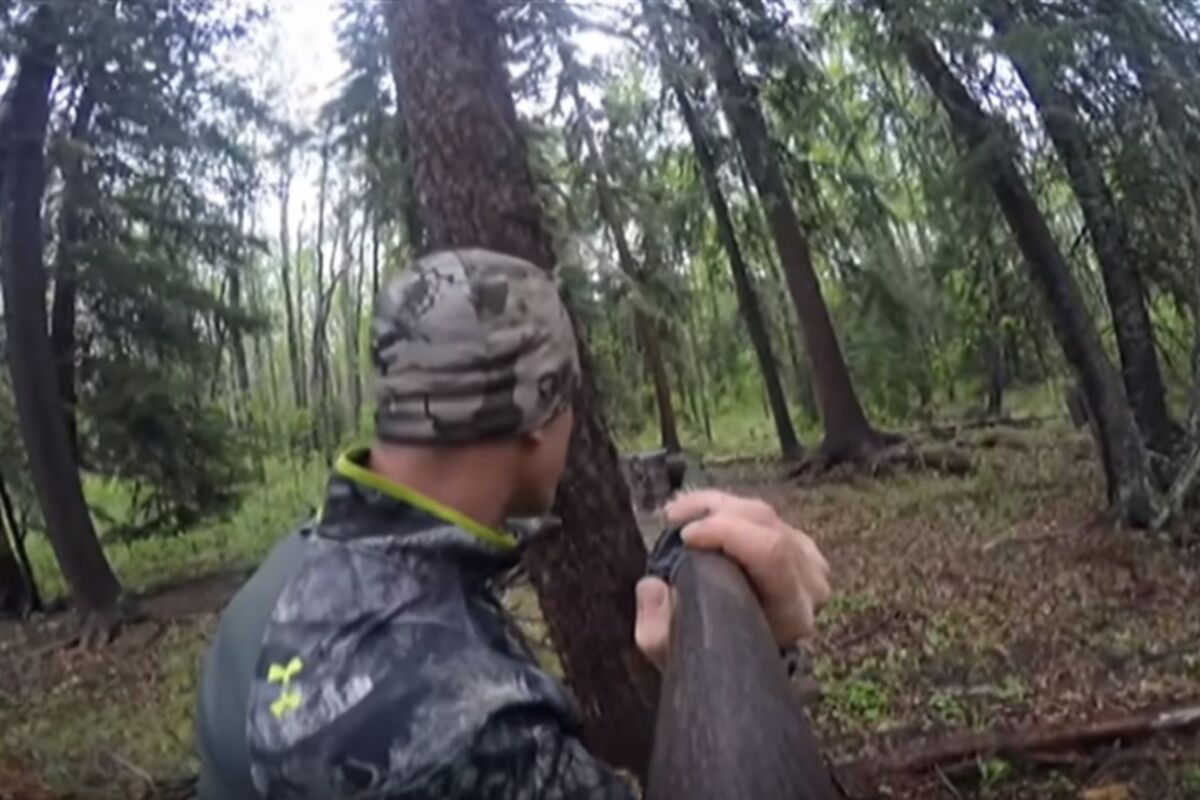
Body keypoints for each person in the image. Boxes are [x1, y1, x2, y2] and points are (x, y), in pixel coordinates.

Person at [194, 248, 832, 799]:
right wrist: (744, 664)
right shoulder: (467, 723)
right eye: (570, 398)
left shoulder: (284, 581)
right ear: (536, 409)